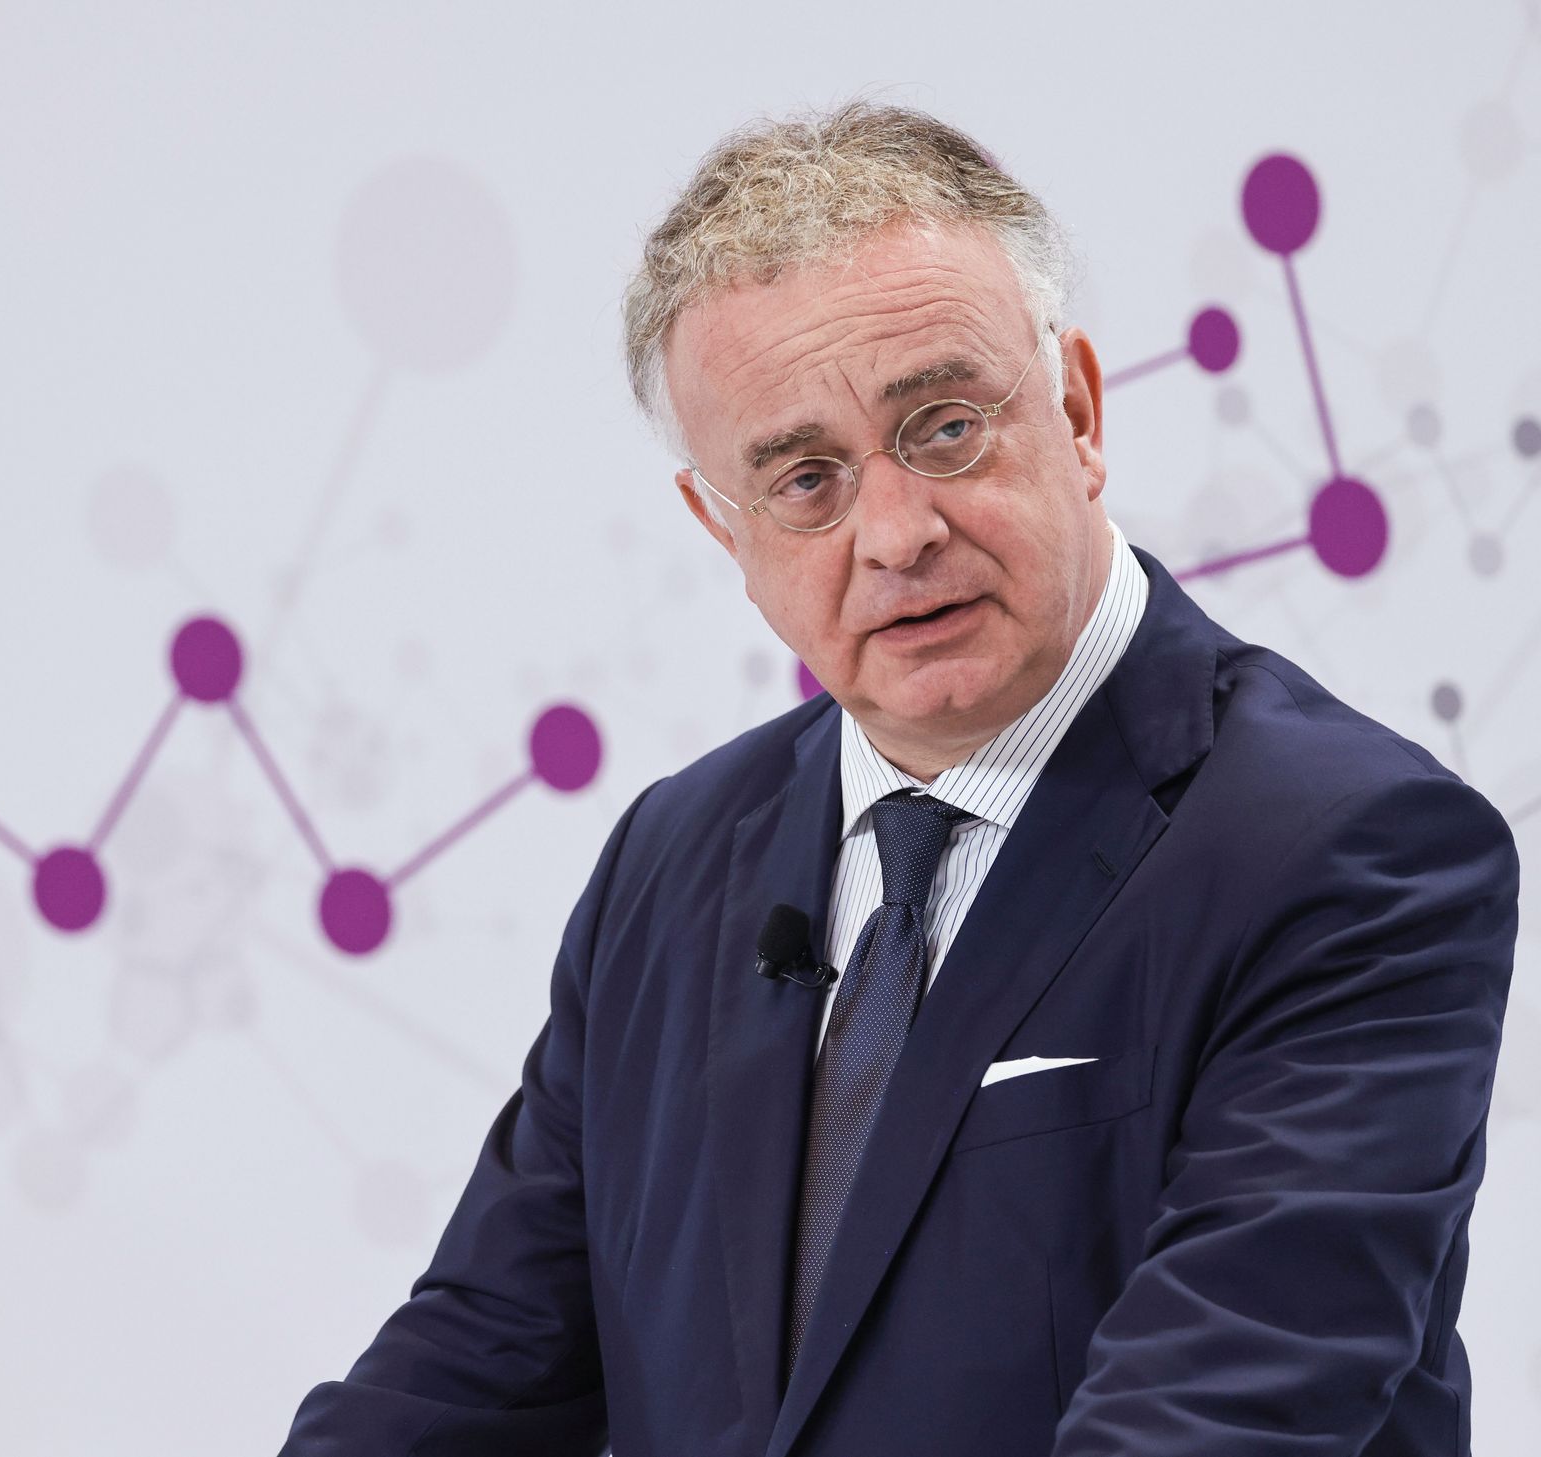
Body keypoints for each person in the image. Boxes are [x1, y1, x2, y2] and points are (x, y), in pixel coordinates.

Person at [277, 100, 1520, 1457]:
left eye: (944, 427)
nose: (895, 532)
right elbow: (471, 1368)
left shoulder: (1351, 850)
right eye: (806, 480)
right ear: (724, 527)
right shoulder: (669, 861)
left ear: (1078, 411)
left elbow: (1216, 1417)